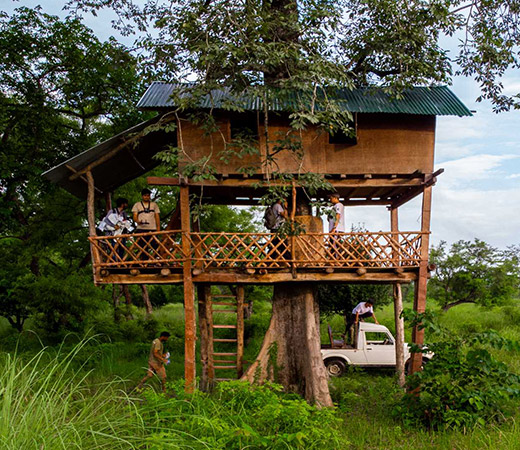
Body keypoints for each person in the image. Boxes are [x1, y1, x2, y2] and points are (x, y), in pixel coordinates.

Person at [132, 188, 161, 258]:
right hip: (141, 229)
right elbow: (135, 216)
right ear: (142, 196)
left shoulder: (154, 205)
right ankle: (144, 262)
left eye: (148, 195)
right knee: (142, 246)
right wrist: (138, 221)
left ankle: (157, 260)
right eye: (145, 195)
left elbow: (157, 216)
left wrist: (158, 229)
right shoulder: (137, 205)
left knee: (155, 245)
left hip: (152, 228)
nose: (147, 197)